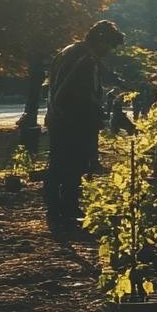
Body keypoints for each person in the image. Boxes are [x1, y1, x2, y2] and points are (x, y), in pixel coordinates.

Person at [43, 20, 125, 230]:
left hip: (61, 118)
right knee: (69, 163)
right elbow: (80, 94)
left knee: (64, 163)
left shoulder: (74, 52)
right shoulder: (83, 58)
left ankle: (64, 208)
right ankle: (59, 210)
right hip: (72, 120)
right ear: (100, 40)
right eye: (109, 45)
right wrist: (96, 116)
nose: (109, 50)